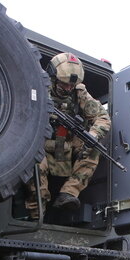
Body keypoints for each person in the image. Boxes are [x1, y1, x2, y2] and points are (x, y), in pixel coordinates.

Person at [25, 52, 111, 218]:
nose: (68, 88)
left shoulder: (79, 92)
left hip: (65, 142)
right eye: (64, 84)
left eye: (71, 85)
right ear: (53, 76)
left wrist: (93, 135)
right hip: (38, 142)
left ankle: (69, 193)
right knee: (37, 171)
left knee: (93, 149)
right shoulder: (38, 86)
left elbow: (102, 117)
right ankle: (36, 215)